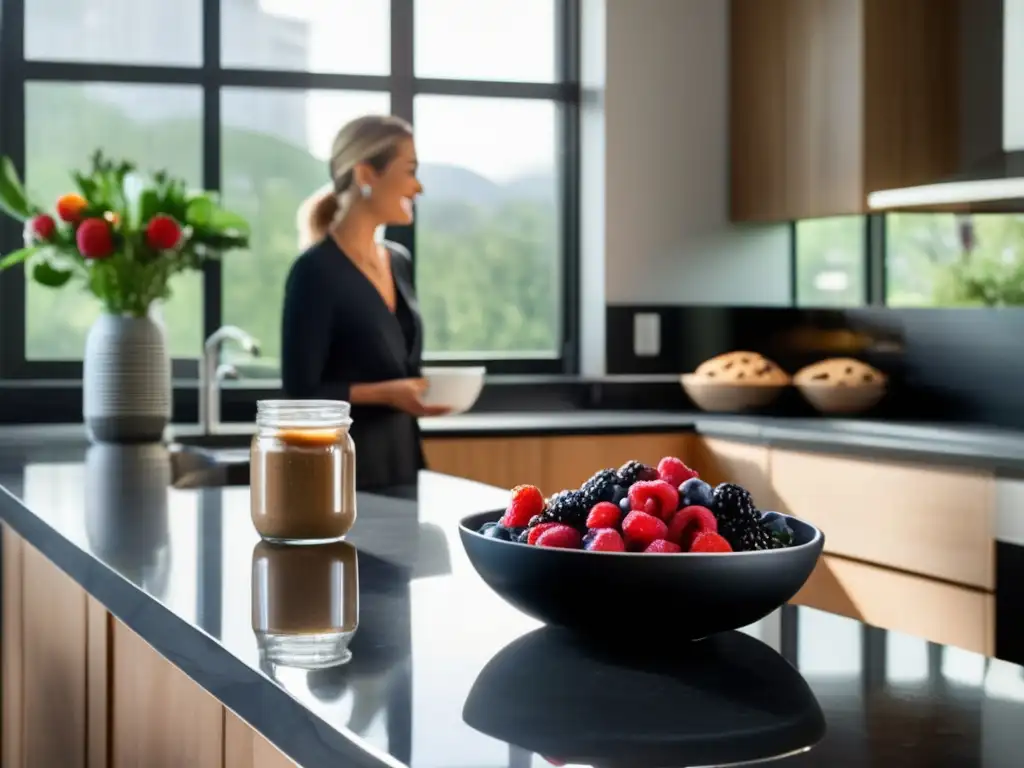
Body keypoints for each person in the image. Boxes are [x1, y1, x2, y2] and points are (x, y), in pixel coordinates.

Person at [281, 115, 448, 490]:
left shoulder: (398, 261)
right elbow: (300, 392)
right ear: (366, 175)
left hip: (404, 464)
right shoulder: (315, 272)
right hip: (343, 477)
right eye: (409, 171)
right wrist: (389, 393)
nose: (418, 186)